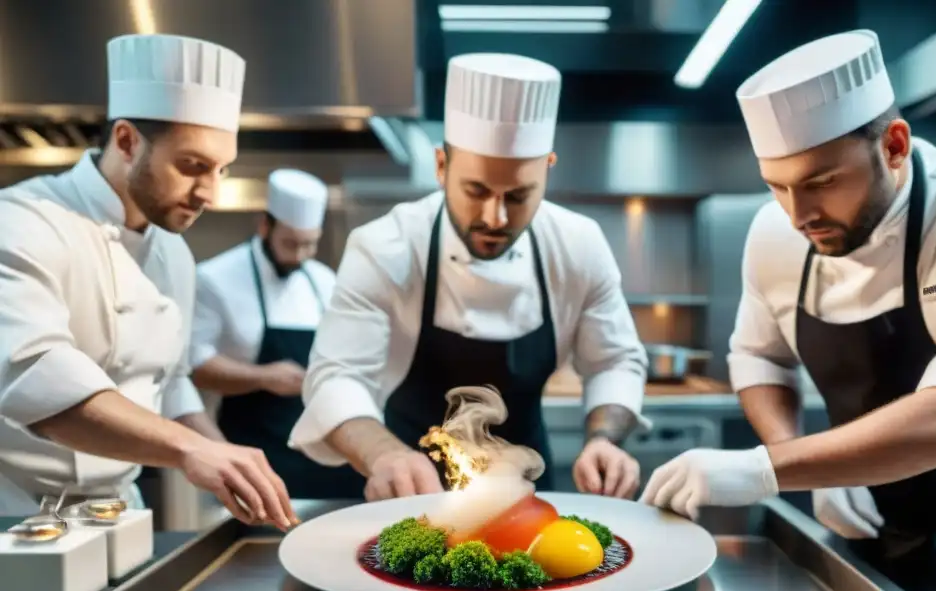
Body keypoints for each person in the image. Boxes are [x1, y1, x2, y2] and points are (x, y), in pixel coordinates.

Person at [641, 29, 936, 591]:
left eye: (821, 181)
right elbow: (760, 359)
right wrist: (809, 462)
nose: (798, 214)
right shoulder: (777, 233)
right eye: (777, 186)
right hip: (875, 530)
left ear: (894, 145)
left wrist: (768, 470)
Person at [289, 53, 649, 501]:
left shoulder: (578, 245)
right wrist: (384, 455)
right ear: (441, 167)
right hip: (408, 485)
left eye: (517, 196)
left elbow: (614, 361)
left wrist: (603, 441)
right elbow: (336, 377)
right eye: (475, 191)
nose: (494, 217)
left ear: (548, 169)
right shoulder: (385, 247)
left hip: (528, 491)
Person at [0, 33, 296, 530]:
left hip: (119, 514)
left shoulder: (173, 252)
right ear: (126, 141)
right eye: (192, 166)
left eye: (223, 169)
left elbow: (171, 380)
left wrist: (230, 463)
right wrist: (191, 450)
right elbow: (41, 386)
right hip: (16, 516)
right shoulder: (23, 222)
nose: (210, 193)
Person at [189, 169, 345, 498]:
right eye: (291, 243)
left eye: (309, 245)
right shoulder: (214, 278)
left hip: (322, 456)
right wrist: (262, 377)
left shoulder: (323, 280)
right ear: (265, 225)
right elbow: (194, 366)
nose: (300, 255)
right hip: (255, 455)